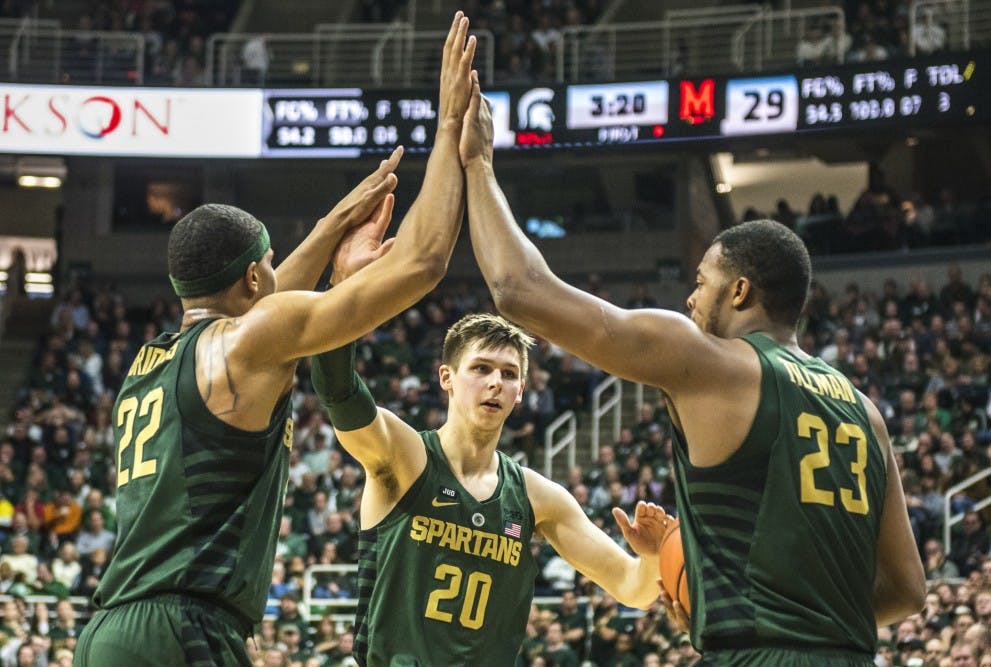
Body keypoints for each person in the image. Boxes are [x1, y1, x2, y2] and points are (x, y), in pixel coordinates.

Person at [72, 12, 475, 666]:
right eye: (271, 259)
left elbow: (266, 302)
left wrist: (333, 227)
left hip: (108, 631)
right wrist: (450, 129)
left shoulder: (154, 362)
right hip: (185, 626)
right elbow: (425, 260)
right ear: (255, 275)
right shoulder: (250, 341)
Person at [461, 96, 925, 664]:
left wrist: (479, 163)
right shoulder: (865, 411)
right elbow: (907, 590)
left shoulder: (707, 359)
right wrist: (811, 621)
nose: (690, 295)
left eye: (702, 281)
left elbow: (518, 290)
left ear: (740, 291)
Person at [311, 311, 668, 665]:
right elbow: (338, 391)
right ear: (446, 377)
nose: (496, 382)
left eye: (509, 374)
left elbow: (632, 588)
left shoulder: (537, 497)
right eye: (481, 368)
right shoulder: (405, 456)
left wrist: (652, 557)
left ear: (520, 393)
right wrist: (345, 289)